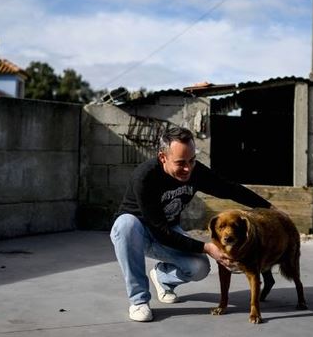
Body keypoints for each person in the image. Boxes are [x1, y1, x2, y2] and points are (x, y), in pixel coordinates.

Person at [110, 126, 272, 322]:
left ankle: (162, 277)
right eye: (180, 163)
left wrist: (269, 208)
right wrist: (207, 247)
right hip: (138, 233)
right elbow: (158, 230)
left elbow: (229, 189)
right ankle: (139, 300)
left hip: (169, 230)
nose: (188, 168)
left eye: (192, 160)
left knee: (199, 268)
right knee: (125, 224)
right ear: (163, 158)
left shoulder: (195, 171)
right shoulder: (145, 177)